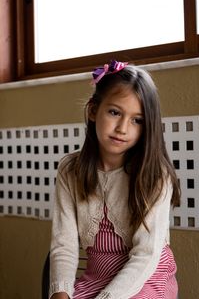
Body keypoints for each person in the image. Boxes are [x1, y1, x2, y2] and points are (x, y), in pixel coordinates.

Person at [49, 60, 181, 299]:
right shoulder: (70, 171)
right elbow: (64, 245)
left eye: (137, 120)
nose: (122, 128)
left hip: (145, 278)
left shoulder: (155, 175)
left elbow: (147, 254)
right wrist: (60, 293)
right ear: (92, 110)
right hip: (96, 278)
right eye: (114, 112)